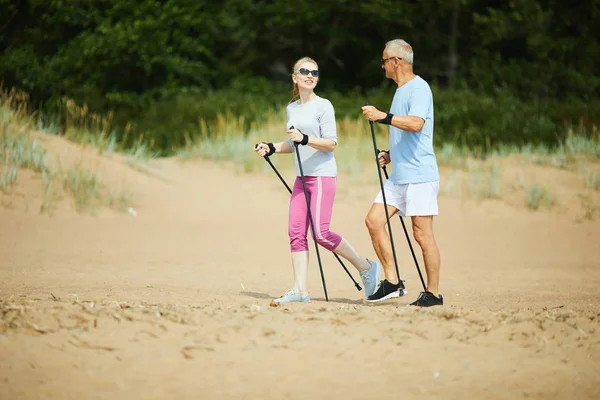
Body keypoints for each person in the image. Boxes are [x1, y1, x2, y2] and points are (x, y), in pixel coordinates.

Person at [254, 56, 380, 303]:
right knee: (296, 233)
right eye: (304, 71)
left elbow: (331, 143)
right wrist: (271, 147)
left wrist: (304, 139)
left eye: (314, 72)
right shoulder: (292, 108)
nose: (310, 75)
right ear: (294, 77)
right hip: (302, 178)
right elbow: (294, 142)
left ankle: (366, 267)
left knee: (321, 234)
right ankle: (300, 291)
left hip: (322, 176)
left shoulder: (324, 105)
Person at [361, 39, 444, 307]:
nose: (382, 65)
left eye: (384, 60)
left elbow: (417, 124)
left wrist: (382, 116)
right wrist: (390, 153)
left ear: (396, 61)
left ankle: (433, 293)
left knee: (421, 234)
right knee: (374, 221)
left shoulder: (419, 88)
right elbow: (404, 131)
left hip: (420, 175)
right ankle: (393, 282)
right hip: (399, 176)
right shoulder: (400, 91)